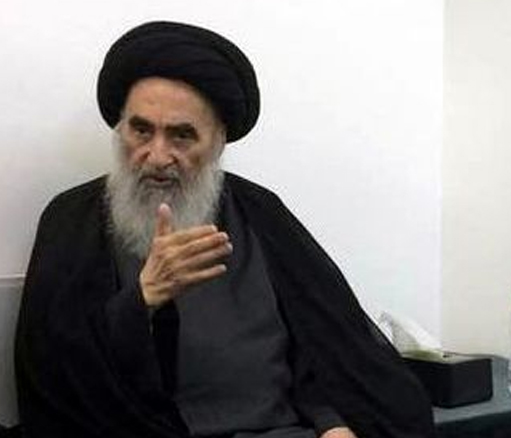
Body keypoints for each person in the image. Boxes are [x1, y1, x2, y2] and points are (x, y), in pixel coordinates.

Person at [14, 21, 435, 438]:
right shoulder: (71, 221)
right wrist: (141, 299)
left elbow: (321, 348)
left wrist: (333, 423)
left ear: (218, 142)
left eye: (182, 135)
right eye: (141, 130)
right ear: (120, 127)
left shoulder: (260, 213)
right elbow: (55, 378)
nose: (157, 155)